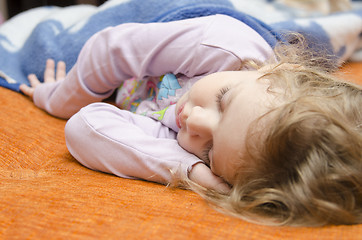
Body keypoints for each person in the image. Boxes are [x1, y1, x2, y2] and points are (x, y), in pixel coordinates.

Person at [19, 14, 362, 226]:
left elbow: (84, 127)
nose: (193, 122)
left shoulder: (196, 149)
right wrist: (57, 99)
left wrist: (189, 171)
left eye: (210, 151)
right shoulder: (223, 45)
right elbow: (110, 49)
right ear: (279, 72)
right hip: (176, 24)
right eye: (223, 100)